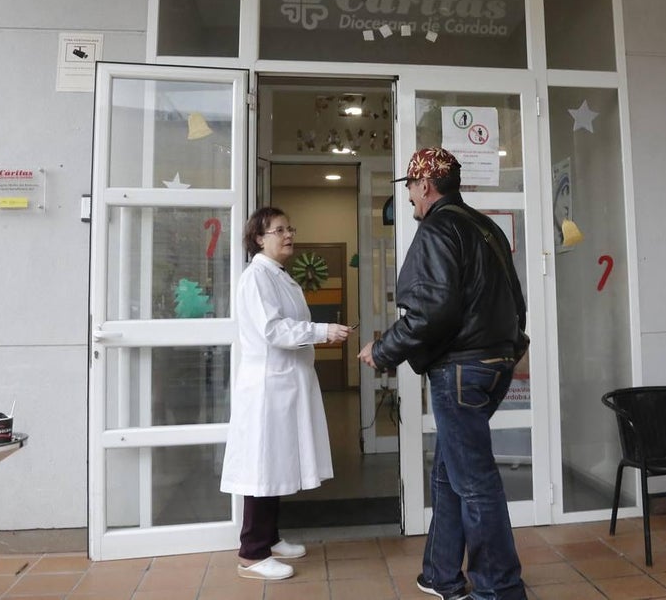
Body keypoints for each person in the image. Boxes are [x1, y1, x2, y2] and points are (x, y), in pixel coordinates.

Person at [359, 147, 528, 600]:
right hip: (492, 366)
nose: (410, 197)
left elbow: (430, 311)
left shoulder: (439, 228)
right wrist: (511, 351)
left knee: (474, 481)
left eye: (411, 187)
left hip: (461, 371)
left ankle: (499, 590)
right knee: (449, 471)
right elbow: (516, 300)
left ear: (426, 186)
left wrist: (384, 350)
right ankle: (440, 574)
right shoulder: (484, 227)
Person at [220, 206, 351, 581]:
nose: (288, 234)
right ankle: (252, 553)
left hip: (285, 385)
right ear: (259, 238)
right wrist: (322, 331)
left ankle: (270, 538)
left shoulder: (279, 276)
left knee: (275, 463)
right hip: (267, 388)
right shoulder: (256, 278)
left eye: (289, 228)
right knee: (262, 466)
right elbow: (274, 331)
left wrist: (319, 331)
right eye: (279, 230)